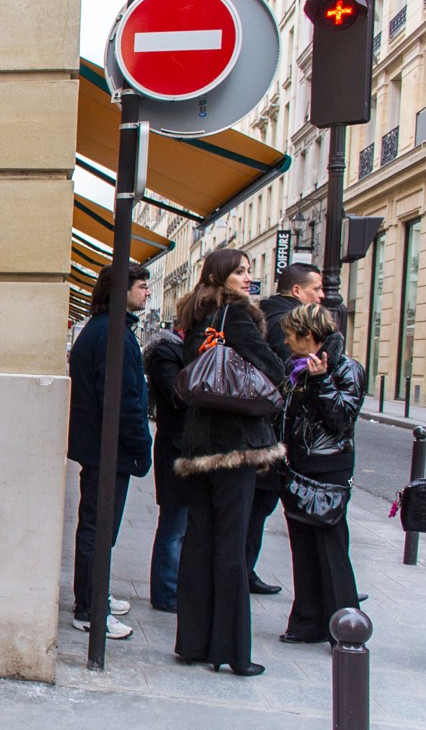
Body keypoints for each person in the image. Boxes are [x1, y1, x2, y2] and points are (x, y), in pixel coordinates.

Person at [172, 248, 285, 677]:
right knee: (232, 546)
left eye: (249, 270)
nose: (247, 278)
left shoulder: (195, 316)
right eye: (240, 271)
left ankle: (194, 642)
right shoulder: (235, 316)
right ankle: (234, 652)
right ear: (220, 276)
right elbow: (272, 369)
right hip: (235, 443)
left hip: (198, 442)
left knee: (199, 542)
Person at [67, 262, 152, 639]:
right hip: (106, 447)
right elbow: (122, 398)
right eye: (141, 285)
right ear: (122, 291)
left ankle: (94, 596)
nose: (147, 291)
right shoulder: (112, 332)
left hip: (100, 446)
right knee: (99, 529)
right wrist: (140, 445)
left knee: (99, 527)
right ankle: (89, 608)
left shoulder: (104, 329)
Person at [278, 303, 364, 645]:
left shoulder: (346, 368)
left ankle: (345, 625)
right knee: (302, 547)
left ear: (309, 335)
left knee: (331, 548)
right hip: (297, 464)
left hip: (328, 468)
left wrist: (322, 381)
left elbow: (342, 420)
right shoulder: (293, 366)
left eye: (289, 334)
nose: (285, 341)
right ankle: (308, 622)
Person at [246, 262, 324, 596]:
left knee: (257, 505)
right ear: (296, 291)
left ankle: (243, 569)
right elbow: (283, 376)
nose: (321, 295)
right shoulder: (286, 323)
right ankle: (243, 571)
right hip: (271, 431)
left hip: (261, 428)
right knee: (259, 504)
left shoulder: (265, 314)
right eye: (316, 289)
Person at [144, 326, 187, 613]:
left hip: (181, 447)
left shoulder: (180, 353)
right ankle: (166, 591)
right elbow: (178, 395)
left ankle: (173, 588)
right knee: (173, 523)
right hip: (174, 447)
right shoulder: (166, 352)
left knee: (179, 524)